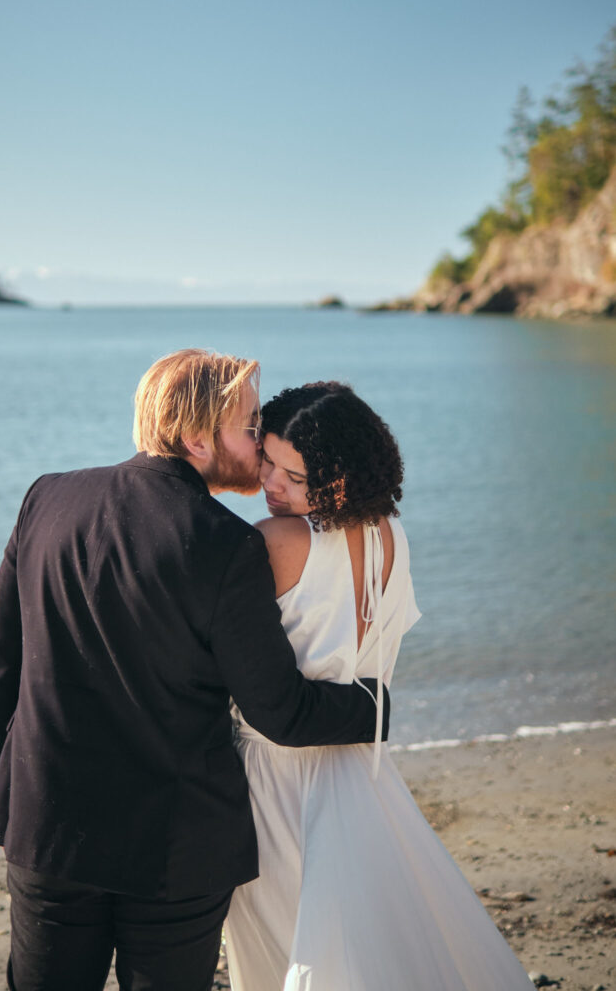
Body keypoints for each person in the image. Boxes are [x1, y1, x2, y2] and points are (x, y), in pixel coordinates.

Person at [0, 351, 390, 991]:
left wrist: (4, 793)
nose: (261, 442)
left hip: (46, 823)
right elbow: (278, 711)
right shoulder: (227, 544)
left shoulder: (46, 498)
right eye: (250, 425)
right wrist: (375, 706)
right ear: (197, 438)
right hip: (175, 845)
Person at [224, 381, 534, 991]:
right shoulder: (392, 534)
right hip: (361, 772)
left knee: (290, 949)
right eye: (269, 461)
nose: (273, 485)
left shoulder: (274, 541)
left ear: (336, 481)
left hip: (278, 780)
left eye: (295, 476)